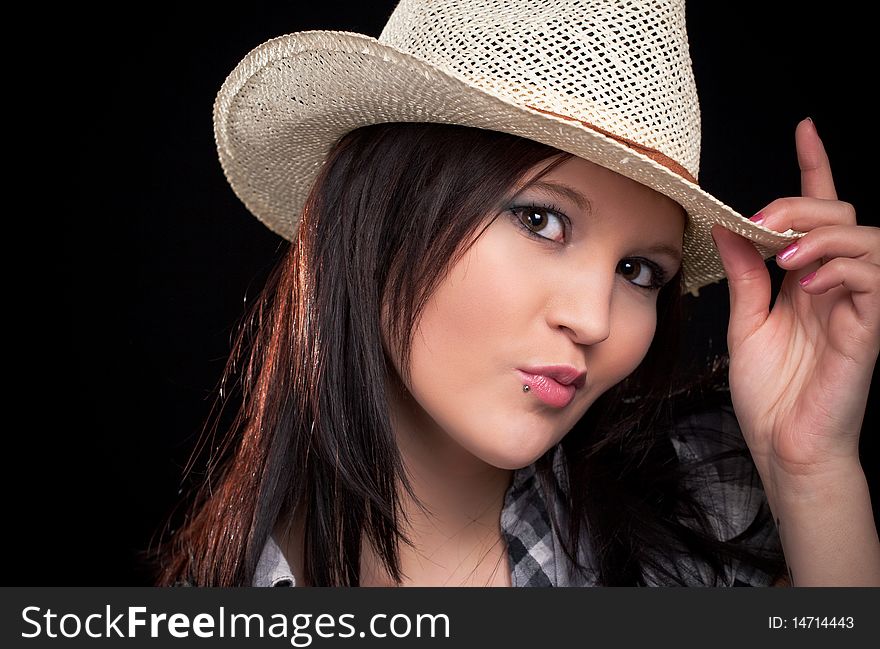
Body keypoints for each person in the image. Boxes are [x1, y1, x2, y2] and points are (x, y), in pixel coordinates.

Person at [152, 0, 880, 587]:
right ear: (381, 217)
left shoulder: (704, 520)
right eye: (541, 219)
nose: (593, 320)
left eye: (639, 271)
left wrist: (809, 473)